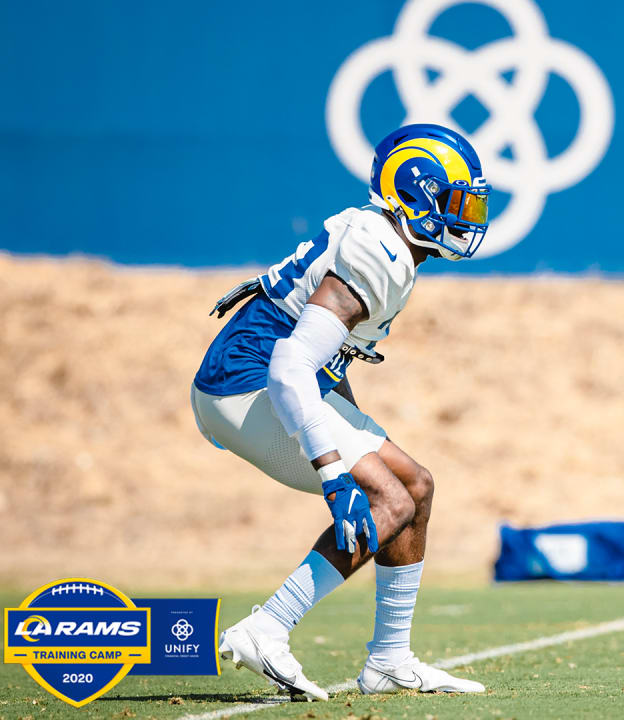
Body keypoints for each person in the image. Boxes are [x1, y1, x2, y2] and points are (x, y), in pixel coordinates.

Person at [190, 124, 491, 699]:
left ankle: (389, 661)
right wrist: (334, 471)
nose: (468, 217)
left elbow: (329, 355)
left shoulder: (392, 245)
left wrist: (353, 430)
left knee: (416, 487)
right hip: (244, 384)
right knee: (388, 498)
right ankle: (267, 628)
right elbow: (290, 365)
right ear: (416, 195)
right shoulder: (378, 250)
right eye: (456, 202)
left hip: (270, 378)